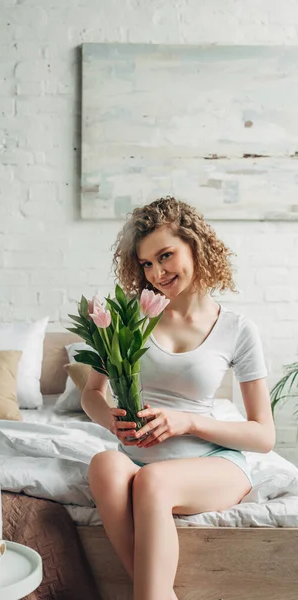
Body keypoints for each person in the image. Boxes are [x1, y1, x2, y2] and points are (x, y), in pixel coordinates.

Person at [81, 196, 275, 600]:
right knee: (104, 464)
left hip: (211, 463)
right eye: (147, 264)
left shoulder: (238, 329)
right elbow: (91, 394)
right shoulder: (128, 314)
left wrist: (187, 421)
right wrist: (109, 419)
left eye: (165, 256)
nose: (157, 272)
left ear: (195, 246)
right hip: (137, 456)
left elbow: (263, 435)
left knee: (152, 482)